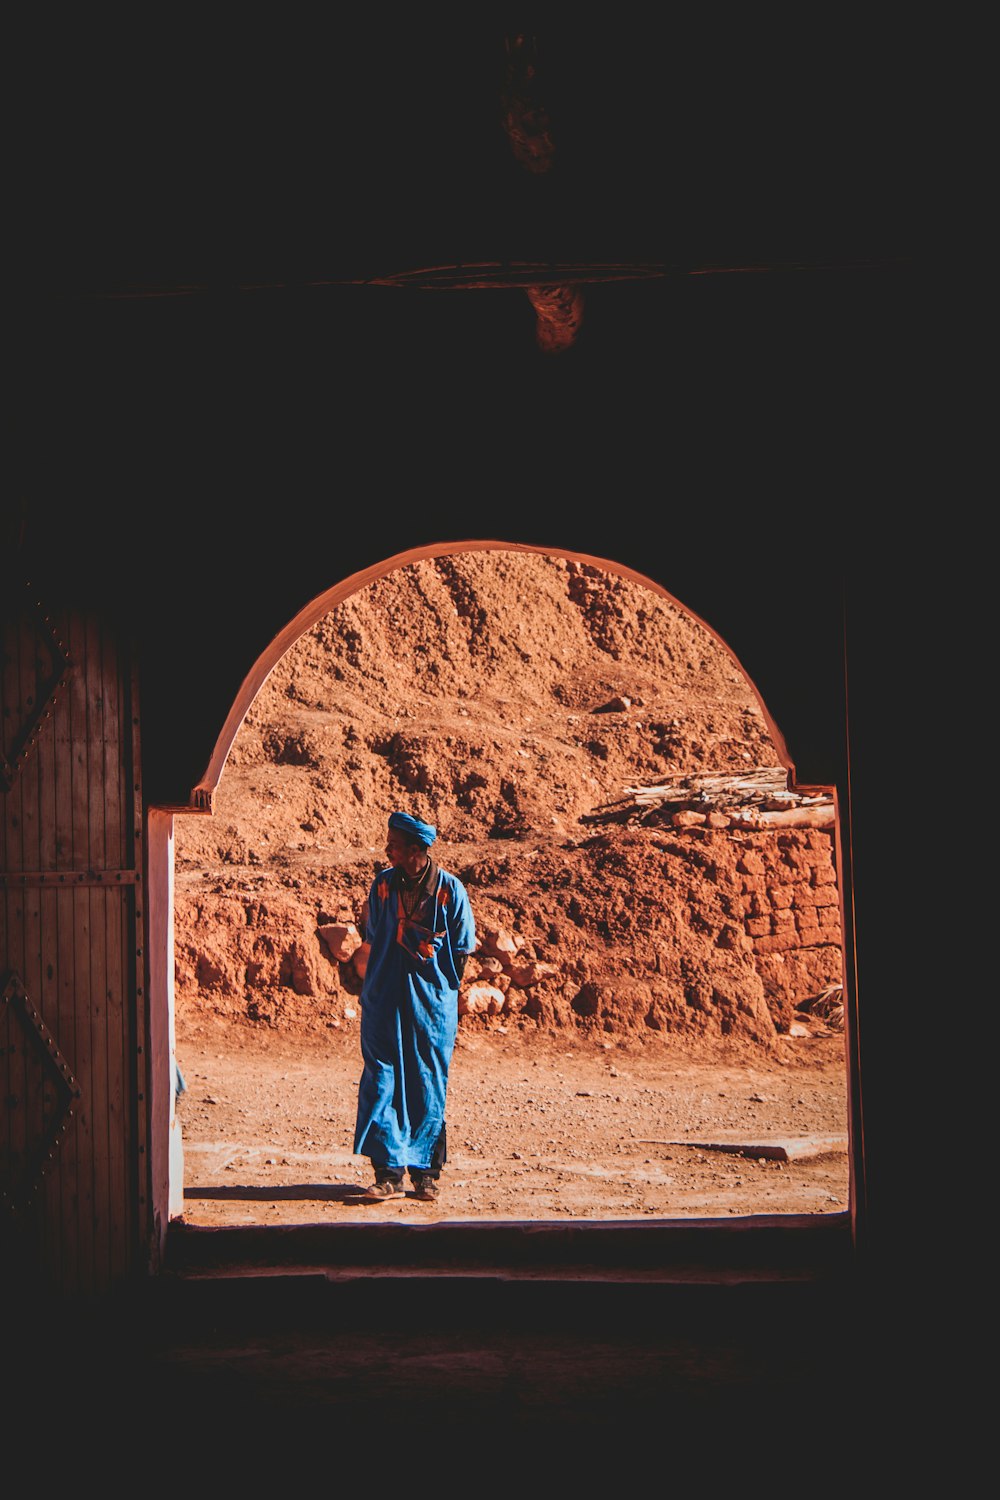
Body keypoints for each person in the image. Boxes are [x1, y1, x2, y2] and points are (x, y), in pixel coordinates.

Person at [353, 810, 476, 1201]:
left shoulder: (450, 891)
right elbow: (376, 937)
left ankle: (426, 1173)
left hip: (430, 1010)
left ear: (415, 850)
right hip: (385, 1002)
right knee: (382, 1081)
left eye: (394, 843)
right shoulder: (382, 886)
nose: (387, 849)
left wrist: (437, 990)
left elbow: (460, 951)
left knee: (427, 1084)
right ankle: (388, 1173)